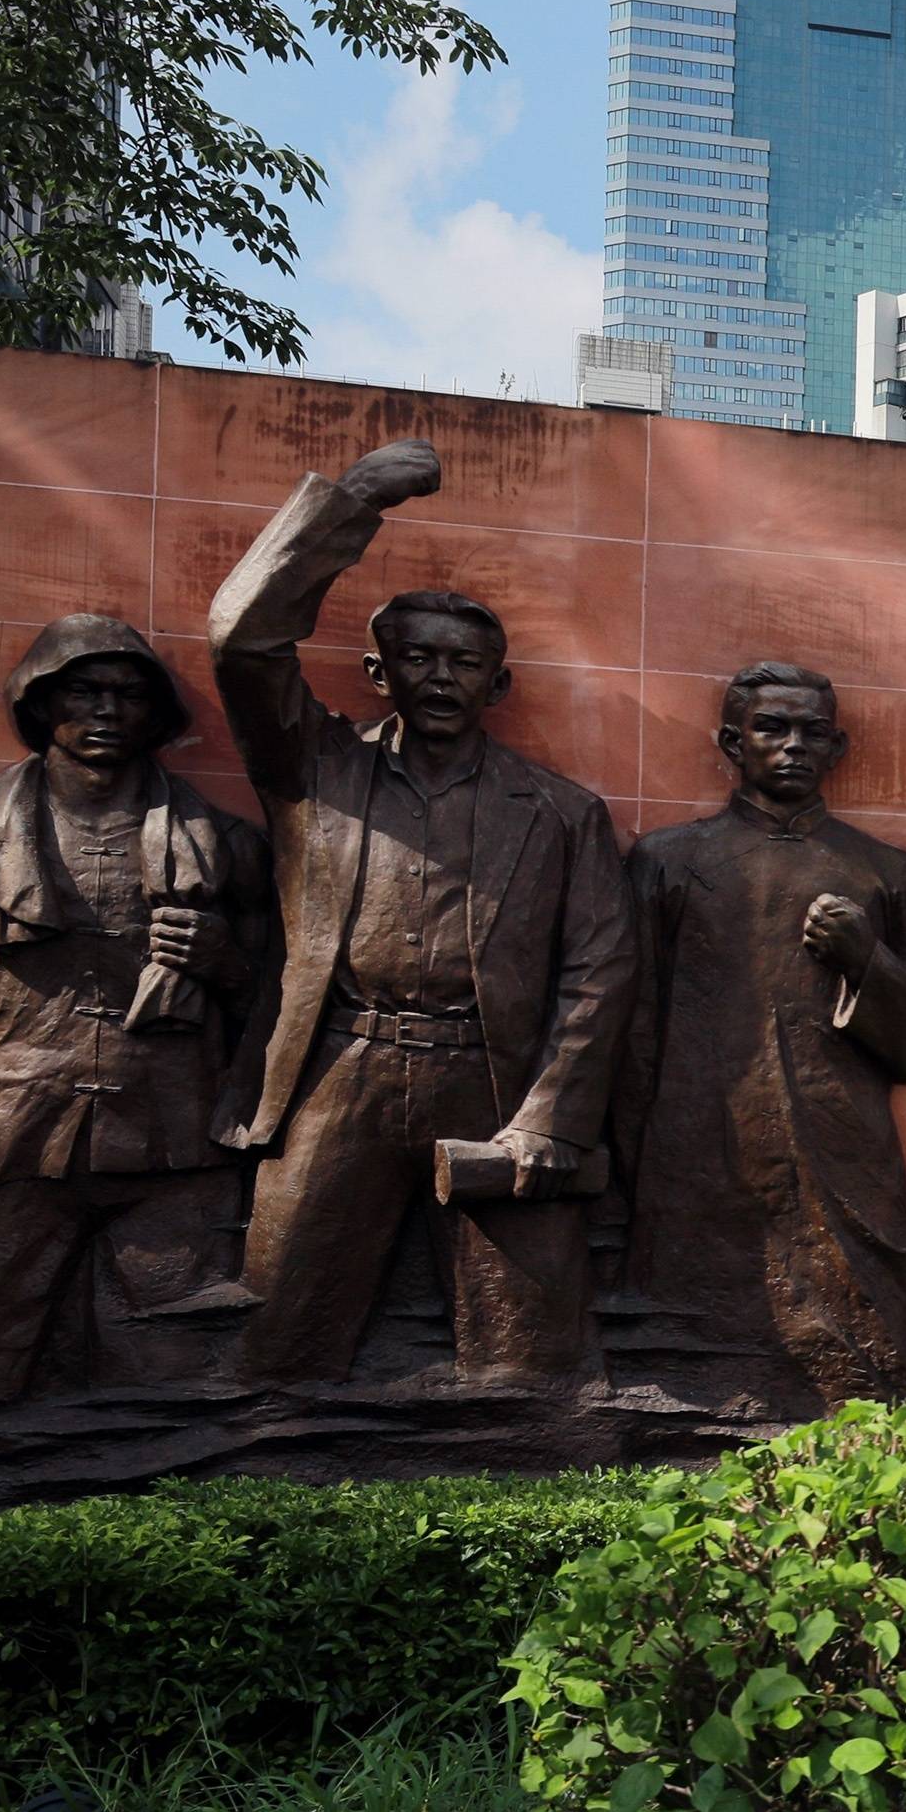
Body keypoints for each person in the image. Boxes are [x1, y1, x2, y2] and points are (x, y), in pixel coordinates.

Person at [210, 442, 637, 1386]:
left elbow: (600, 973)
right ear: (377, 671)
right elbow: (243, 642)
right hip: (337, 1074)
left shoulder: (564, 815)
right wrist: (351, 503)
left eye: (466, 663)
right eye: (417, 657)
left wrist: (549, 1120)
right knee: (282, 1339)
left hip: (495, 1082)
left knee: (531, 1356)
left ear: (500, 684)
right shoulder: (312, 769)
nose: (441, 677)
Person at [0, 619, 276, 1475]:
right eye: (83, 690)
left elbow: (291, 991)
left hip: (174, 1143)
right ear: (40, 705)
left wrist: (224, 962)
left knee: (188, 1383)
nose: (106, 710)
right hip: (0, 1135)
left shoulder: (225, 843)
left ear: (158, 713)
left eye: (129, 693)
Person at [614, 663, 906, 1411]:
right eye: (772, 727)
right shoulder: (667, 861)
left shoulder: (886, 872)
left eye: (813, 732)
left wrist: (867, 959)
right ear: (732, 743)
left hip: (838, 1136)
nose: (793, 745)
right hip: (696, 1135)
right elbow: (626, 1015)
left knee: (862, 1355)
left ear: (838, 748)